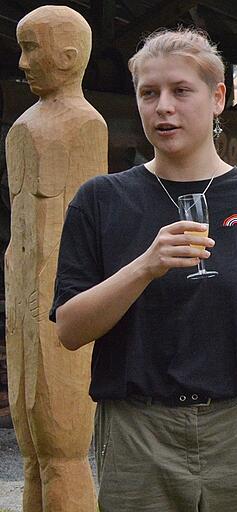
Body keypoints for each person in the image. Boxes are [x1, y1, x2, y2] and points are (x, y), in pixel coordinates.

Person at [49, 28, 237, 512]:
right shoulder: (101, 201)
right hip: (139, 435)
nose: (163, 107)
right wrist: (144, 267)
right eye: (149, 93)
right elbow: (69, 328)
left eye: (180, 91)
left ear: (218, 99)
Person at [7, 6, 104, 510]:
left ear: (68, 57)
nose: (21, 63)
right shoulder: (24, 125)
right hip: (23, 300)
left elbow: (81, 240)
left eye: (30, 48)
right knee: (31, 453)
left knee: (63, 451)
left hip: (57, 302)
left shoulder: (85, 125)